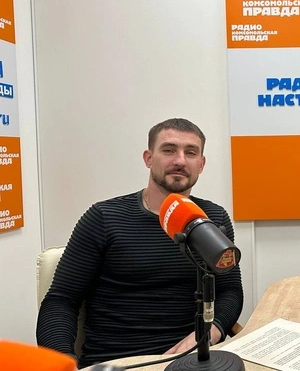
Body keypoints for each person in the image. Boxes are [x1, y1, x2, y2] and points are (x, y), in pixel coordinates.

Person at [37, 118, 243, 368]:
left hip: (190, 360)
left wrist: (211, 331)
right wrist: (62, 363)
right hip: (118, 362)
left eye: (190, 152)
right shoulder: (104, 217)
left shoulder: (213, 218)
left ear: (201, 164)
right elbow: (61, 300)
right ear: (148, 158)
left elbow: (230, 291)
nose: (180, 160)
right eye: (169, 150)